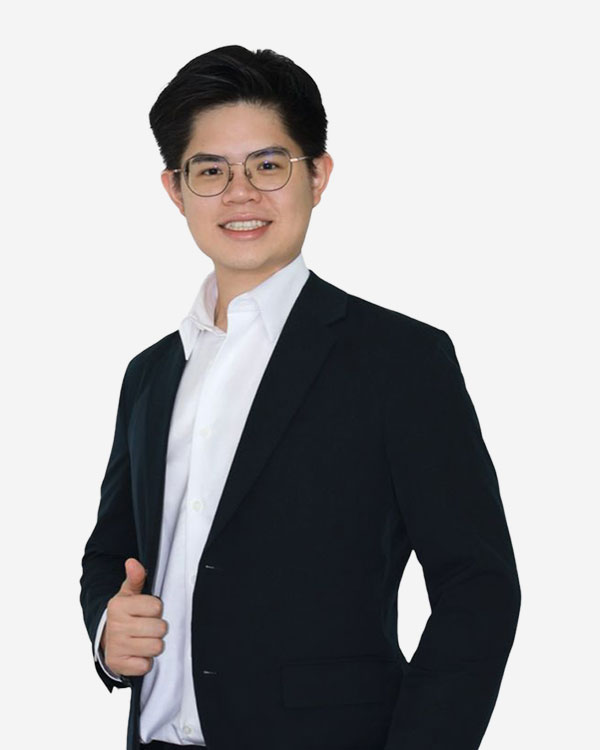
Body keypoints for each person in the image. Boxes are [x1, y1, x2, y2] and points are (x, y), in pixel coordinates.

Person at [80, 45, 521, 750]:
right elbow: (111, 552)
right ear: (175, 190)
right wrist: (108, 626)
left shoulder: (400, 360)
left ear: (317, 176)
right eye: (210, 171)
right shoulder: (150, 373)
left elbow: (478, 587)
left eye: (268, 165)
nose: (240, 193)